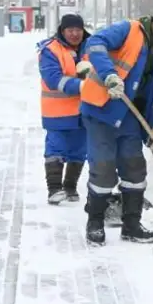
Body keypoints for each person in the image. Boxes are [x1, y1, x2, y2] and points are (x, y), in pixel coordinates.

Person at [79, 5, 153, 245]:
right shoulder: (129, 30)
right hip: (101, 110)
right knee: (104, 168)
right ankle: (95, 223)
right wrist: (109, 75)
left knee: (135, 168)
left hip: (129, 116)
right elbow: (95, 42)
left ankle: (131, 225)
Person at [37, 13, 90, 205]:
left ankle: (70, 187)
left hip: (84, 112)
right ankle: (54, 189)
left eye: (78, 30)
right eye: (70, 30)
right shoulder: (50, 50)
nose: (75, 34)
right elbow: (52, 79)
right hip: (57, 111)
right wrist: (82, 86)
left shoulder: (92, 47)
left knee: (79, 150)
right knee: (55, 149)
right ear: (62, 30)